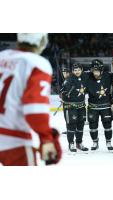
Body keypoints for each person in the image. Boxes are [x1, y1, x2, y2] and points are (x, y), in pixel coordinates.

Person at [0, 33, 62, 166]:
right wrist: (46, 137)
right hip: (13, 140)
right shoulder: (37, 63)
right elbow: (35, 111)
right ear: (42, 41)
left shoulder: (2, 56)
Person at [60, 63, 88, 152]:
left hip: (81, 107)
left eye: (78, 70)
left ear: (81, 70)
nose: (77, 72)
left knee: (81, 126)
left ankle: (79, 143)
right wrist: (64, 94)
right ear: (72, 71)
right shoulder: (68, 80)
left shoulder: (85, 77)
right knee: (71, 125)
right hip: (70, 107)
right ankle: (71, 143)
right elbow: (61, 93)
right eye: (75, 70)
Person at [86, 59, 113, 151]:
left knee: (108, 125)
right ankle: (95, 142)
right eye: (93, 70)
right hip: (92, 107)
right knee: (92, 126)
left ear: (101, 69)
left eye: (97, 70)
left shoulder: (108, 76)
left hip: (106, 106)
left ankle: (108, 142)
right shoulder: (87, 77)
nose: (95, 72)